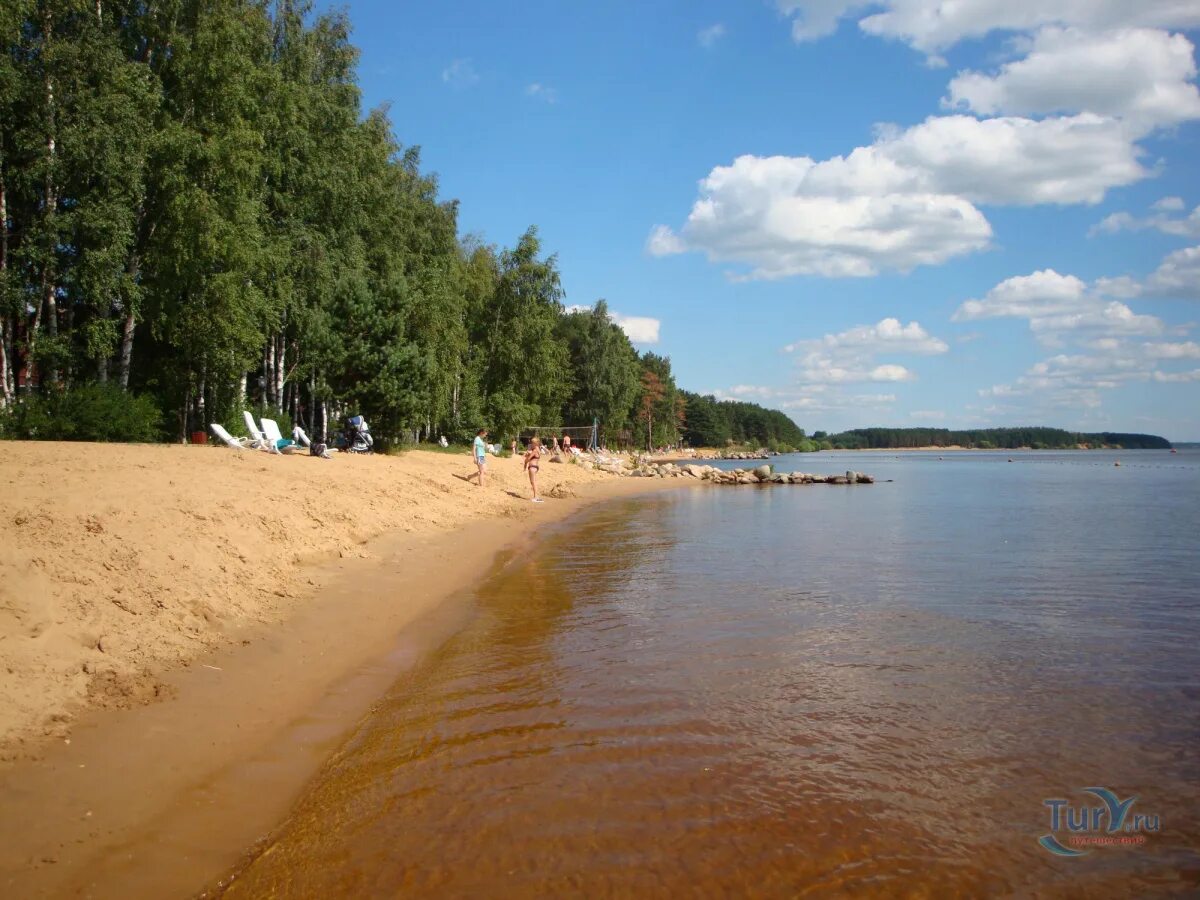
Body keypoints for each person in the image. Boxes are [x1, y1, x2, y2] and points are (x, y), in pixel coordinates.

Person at [523, 437, 543, 503]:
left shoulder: (534, 450)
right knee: (533, 482)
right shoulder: (538, 449)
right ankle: (536, 497)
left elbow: (528, 459)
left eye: (532, 443)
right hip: (535, 467)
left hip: (532, 467)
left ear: (535, 443)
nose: (531, 444)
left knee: (533, 482)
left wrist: (525, 463)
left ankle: (536, 497)